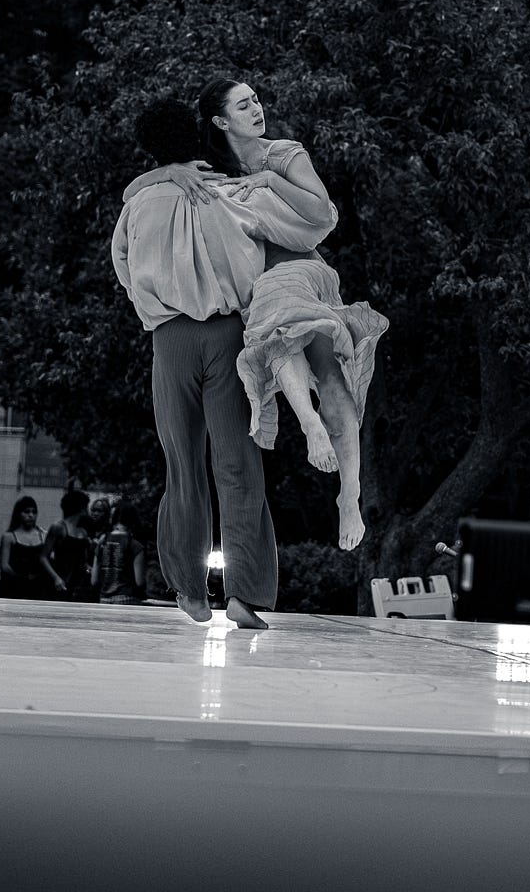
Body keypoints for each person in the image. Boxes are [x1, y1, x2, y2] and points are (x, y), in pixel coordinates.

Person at [112, 95, 335, 629]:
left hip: (168, 338)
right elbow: (313, 228)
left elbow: (121, 264)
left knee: (181, 466)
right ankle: (244, 596)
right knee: (238, 463)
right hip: (231, 335)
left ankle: (189, 591)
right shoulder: (233, 192)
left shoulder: (137, 203)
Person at [198, 77, 386, 553]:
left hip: (301, 269)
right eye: (244, 105)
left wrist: (267, 179)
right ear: (222, 121)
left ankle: (345, 487)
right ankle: (323, 447)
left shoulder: (283, 154)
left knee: (299, 341)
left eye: (256, 100)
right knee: (319, 366)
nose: (257, 109)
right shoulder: (210, 169)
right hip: (257, 286)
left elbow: (320, 210)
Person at [0, 494, 63, 600]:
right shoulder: (9, 536)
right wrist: (22, 579)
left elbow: (49, 558)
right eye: (26, 512)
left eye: (34, 512)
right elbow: (5, 566)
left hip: (38, 588)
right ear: (19, 514)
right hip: (15, 587)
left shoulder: (42, 535)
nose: (31, 515)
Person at [43, 486, 96, 602]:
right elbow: (43, 557)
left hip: (78, 585)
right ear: (81, 508)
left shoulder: (83, 532)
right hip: (61, 581)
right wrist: (56, 578)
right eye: (86, 506)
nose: (88, 510)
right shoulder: (58, 527)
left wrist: (88, 567)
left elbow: (83, 560)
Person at [94, 500, 147, 605]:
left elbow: (94, 580)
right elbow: (139, 581)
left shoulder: (102, 542)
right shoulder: (135, 545)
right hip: (127, 599)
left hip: (104, 600)